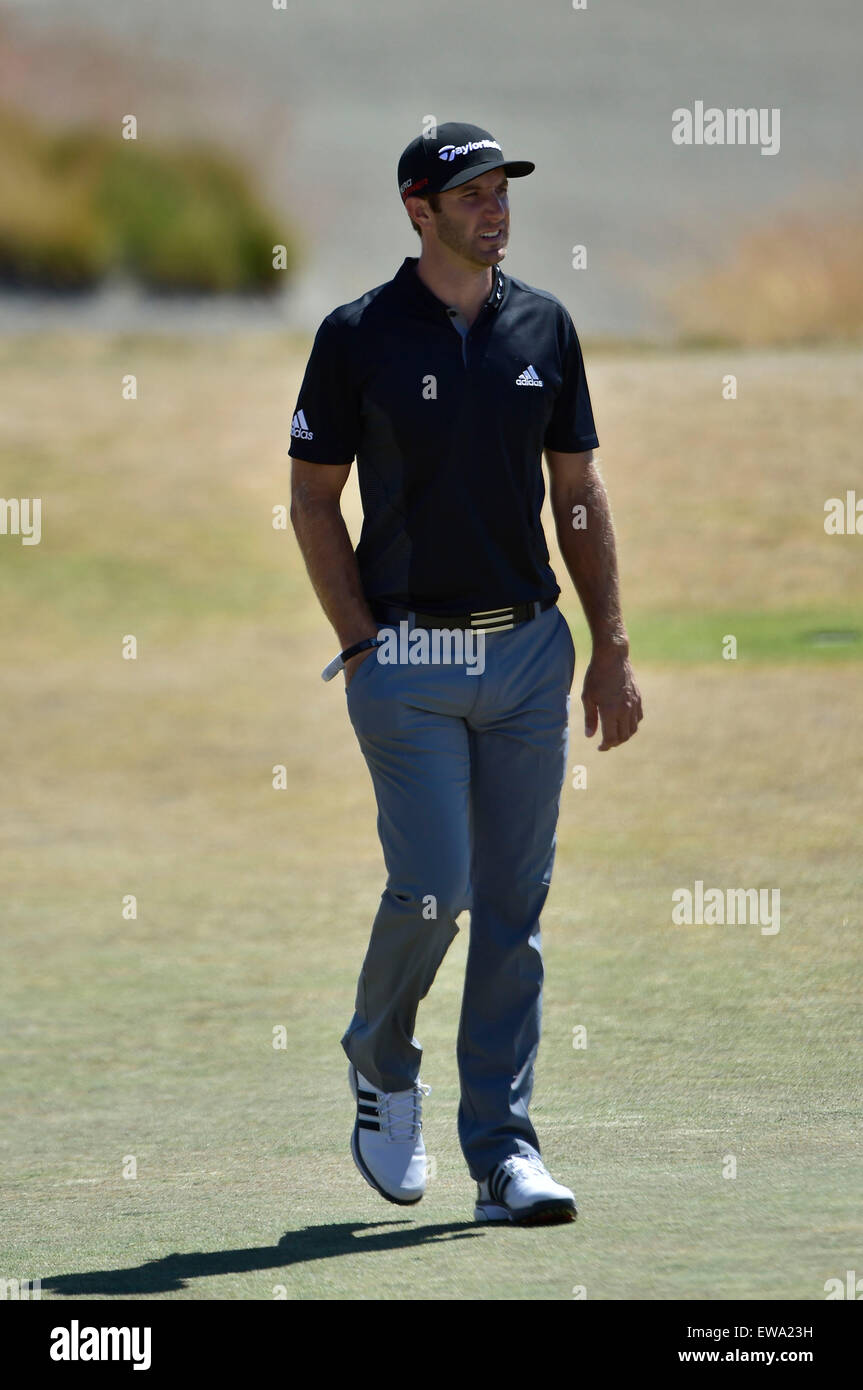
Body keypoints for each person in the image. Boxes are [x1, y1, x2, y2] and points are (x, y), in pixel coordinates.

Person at [289, 121, 643, 1225]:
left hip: (531, 651)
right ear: (417, 207)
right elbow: (312, 500)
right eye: (472, 193)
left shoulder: (543, 324)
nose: (494, 209)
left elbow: (576, 492)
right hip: (411, 656)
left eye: (502, 192)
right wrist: (358, 642)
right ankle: (381, 1063)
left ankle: (501, 1152)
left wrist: (609, 646)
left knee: (511, 908)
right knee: (435, 887)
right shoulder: (358, 335)